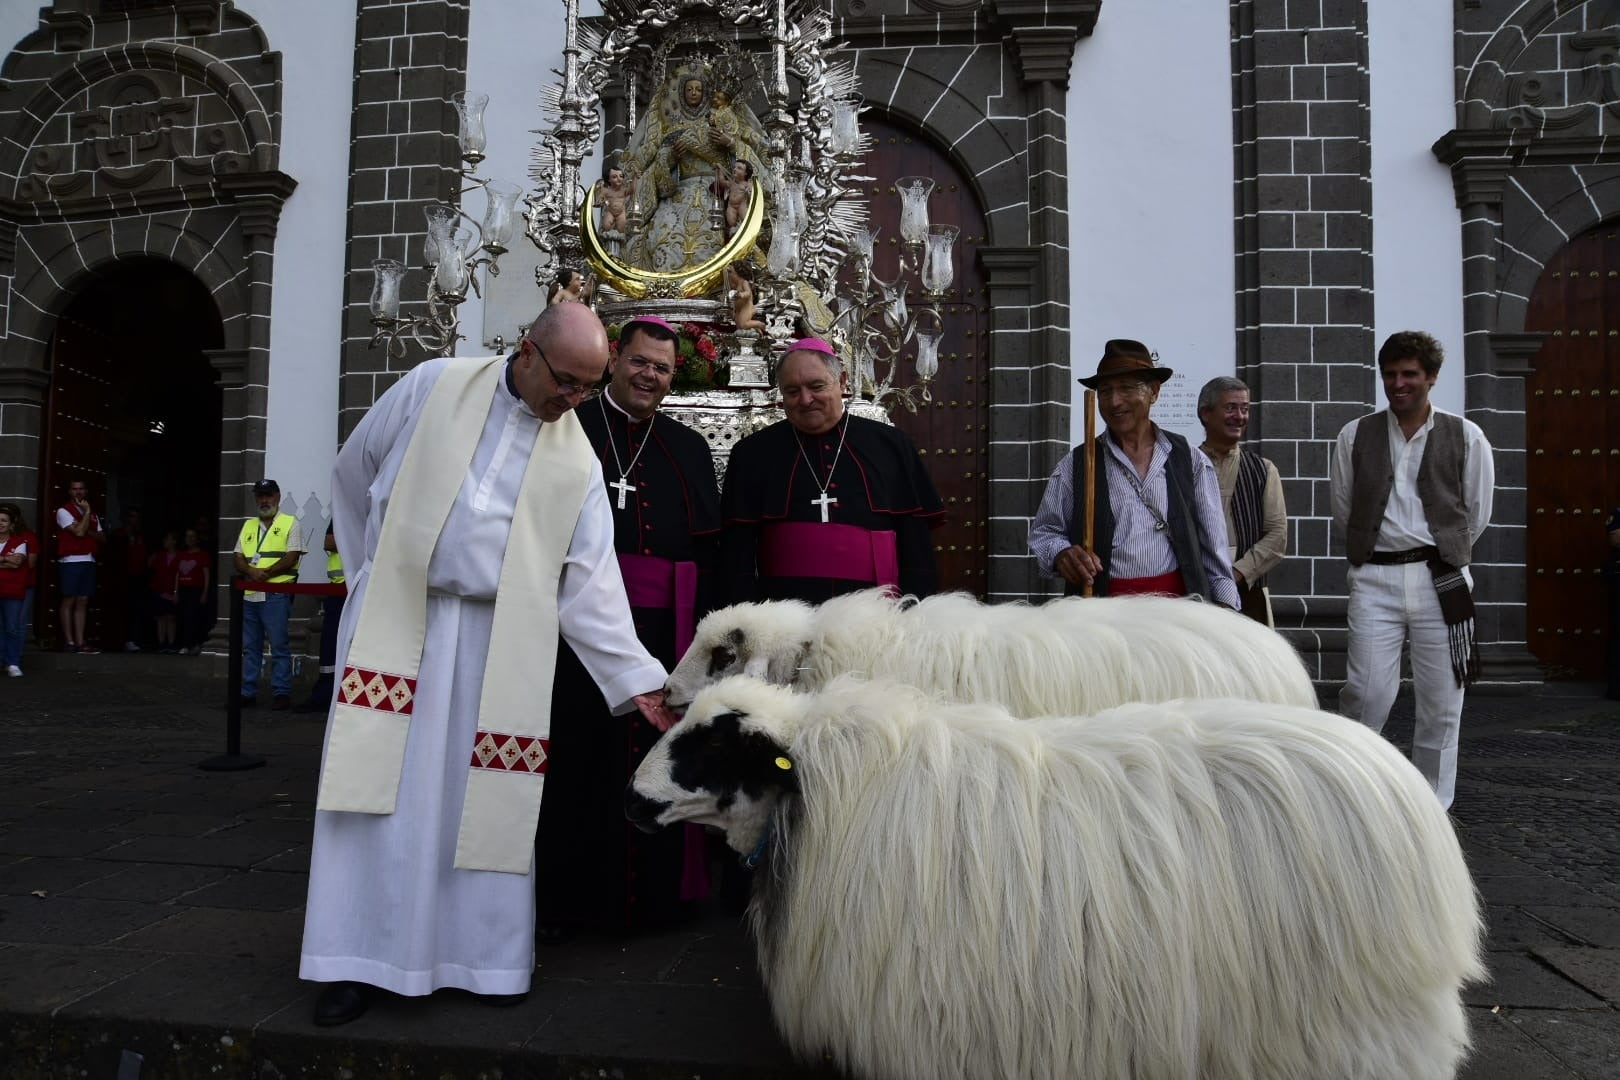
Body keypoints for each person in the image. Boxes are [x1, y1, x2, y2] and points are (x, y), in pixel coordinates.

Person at [298, 300, 678, 1028]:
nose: (572, 402)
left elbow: (590, 581)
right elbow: (354, 472)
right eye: (565, 382)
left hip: (497, 644)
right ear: (527, 351)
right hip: (398, 628)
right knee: (377, 806)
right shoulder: (432, 385)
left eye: (587, 390)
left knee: (480, 804)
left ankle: (480, 959)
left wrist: (640, 680)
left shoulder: (576, 456)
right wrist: (370, 583)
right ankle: (355, 963)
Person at [536, 315, 721, 940]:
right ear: (615, 359)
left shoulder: (688, 447)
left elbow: (707, 555)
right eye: (641, 361)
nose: (650, 375)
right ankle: (576, 900)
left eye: (663, 368)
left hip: (666, 635)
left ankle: (658, 901)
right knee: (582, 761)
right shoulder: (568, 427)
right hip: (572, 636)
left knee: (662, 762)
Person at [1330, 330, 1494, 810]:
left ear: (1431, 377)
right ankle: (1351, 790)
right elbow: (1345, 508)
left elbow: (1476, 514)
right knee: (1366, 692)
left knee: (1443, 702)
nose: (1397, 383)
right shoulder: (1354, 434)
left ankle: (1431, 805)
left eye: (1409, 374)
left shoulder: (1466, 435)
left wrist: (1440, 548)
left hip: (1440, 577)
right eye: (1390, 374)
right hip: (1375, 577)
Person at [720, 338, 945, 603]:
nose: (805, 400)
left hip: (876, 615)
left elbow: (916, 546)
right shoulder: (752, 453)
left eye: (816, 386)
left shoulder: (891, 445)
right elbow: (737, 555)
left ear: (842, 381)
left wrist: (915, 609)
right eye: (792, 391)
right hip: (783, 618)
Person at [1029, 340, 1239, 606]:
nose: (1114, 402)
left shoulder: (1190, 460)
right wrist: (1061, 553)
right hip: (1105, 616)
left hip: (1179, 613)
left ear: (1154, 391)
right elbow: (1045, 531)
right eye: (1105, 391)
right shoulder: (1077, 464)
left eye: (1127, 388)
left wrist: (1228, 615)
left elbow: (1215, 555)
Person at [621, 63, 769, 273]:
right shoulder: (672, 129)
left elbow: (746, 158)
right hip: (678, 196)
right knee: (659, 241)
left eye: (698, 89)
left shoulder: (723, 122)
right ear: (680, 94)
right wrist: (670, 158)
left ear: (706, 93)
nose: (694, 93)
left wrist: (730, 144)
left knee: (726, 238)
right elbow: (658, 168)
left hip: (715, 192)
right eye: (689, 89)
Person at [1197, 376, 1287, 625]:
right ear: (1206, 413)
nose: (1239, 416)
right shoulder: (1184, 465)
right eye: (1230, 408)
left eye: (1244, 409)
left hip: (1248, 589)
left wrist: (1236, 573)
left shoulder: (1263, 470)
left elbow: (1277, 535)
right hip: (1195, 587)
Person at [232, 479, 305, 710]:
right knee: (250, 647)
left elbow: (292, 556)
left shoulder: (290, 523)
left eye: (268, 495)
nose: (264, 500)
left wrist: (267, 573)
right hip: (251, 594)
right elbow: (237, 557)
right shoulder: (249, 525)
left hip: (276, 593)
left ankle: (281, 692)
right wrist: (251, 571)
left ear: (278, 497)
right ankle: (247, 692)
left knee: (279, 645)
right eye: (260, 496)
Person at [295, 523, 346, 714]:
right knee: (329, 644)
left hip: (355, 587)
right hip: (337, 588)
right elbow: (329, 542)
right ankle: (325, 693)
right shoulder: (343, 512)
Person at [54, 478, 103, 653]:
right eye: (74, 489)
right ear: (69, 492)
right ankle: (70, 641)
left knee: (83, 600)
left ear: (86, 491)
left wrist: (88, 518)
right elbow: (80, 533)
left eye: (81, 489)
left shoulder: (94, 514)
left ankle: (81, 641)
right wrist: (87, 512)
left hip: (88, 560)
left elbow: (102, 537)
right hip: (70, 561)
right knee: (69, 599)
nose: (78, 492)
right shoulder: (63, 511)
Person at [0, 503, 38, 649]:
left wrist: (8, 562)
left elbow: (29, 563)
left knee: (18, 622)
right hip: (4, 585)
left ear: (14, 518)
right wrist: (8, 561)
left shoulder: (27, 536)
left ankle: (16, 657)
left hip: (24, 584)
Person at [110, 508, 148, 651]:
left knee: (136, 609)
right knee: (122, 608)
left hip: (137, 577)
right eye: (132, 516)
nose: (135, 520)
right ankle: (120, 639)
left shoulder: (140, 537)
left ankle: (134, 639)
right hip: (121, 578)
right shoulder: (118, 534)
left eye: (137, 517)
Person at [0, 507, 28, 677]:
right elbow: (11, 562)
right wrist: (6, 560)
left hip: (12, 592)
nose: (0, 524)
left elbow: (17, 563)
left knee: (11, 628)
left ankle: (12, 663)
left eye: (3, 520)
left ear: (11, 525)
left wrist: (2, 559)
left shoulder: (20, 542)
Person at [175, 527, 210, 656]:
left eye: (192, 536)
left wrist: (205, 592)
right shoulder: (181, 555)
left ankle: (193, 644)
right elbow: (177, 574)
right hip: (183, 589)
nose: (189, 539)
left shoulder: (202, 555)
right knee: (183, 618)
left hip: (196, 590)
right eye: (187, 536)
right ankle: (185, 644)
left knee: (194, 618)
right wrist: (176, 591)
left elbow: (206, 574)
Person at [148, 530, 181, 654]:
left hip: (172, 589)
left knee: (171, 617)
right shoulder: (160, 555)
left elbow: (178, 574)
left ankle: (171, 643)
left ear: (174, 541)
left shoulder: (179, 556)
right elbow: (150, 566)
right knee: (161, 617)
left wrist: (176, 591)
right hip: (159, 590)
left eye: (168, 539)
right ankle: (161, 643)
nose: (165, 542)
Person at [593, 166, 637, 236]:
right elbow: (599, 199)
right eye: (614, 177)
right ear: (608, 179)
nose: (619, 179)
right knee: (606, 226)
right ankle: (608, 239)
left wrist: (634, 177)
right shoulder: (606, 190)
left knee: (621, 228)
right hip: (609, 211)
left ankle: (618, 240)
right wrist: (600, 201)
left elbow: (632, 190)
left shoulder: (623, 190)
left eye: (621, 176)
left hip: (621, 213)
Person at [715, 159, 753, 238]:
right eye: (734, 167)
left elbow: (751, 190)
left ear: (746, 173)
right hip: (731, 206)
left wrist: (749, 191)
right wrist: (720, 170)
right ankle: (734, 232)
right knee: (731, 221)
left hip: (741, 205)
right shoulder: (732, 183)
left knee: (745, 220)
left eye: (739, 168)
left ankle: (745, 233)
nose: (735, 169)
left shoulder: (747, 184)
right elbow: (721, 181)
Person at [726, 260, 766, 332]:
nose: (729, 275)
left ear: (738, 273)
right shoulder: (736, 286)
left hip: (746, 308)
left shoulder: (744, 282)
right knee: (738, 325)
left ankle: (760, 324)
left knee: (743, 324)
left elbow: (748, 292)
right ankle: (755, 329)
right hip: (739, 309)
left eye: (730, 272)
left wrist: (741, 294)